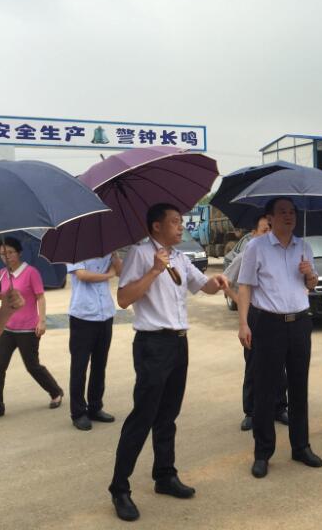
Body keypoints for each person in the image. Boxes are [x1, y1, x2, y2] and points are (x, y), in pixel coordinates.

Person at [108, 203, 228, 521]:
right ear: (156, 226)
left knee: (168, 415)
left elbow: (203, 286)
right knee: (143, 416)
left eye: (181, 221)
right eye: (175, 222)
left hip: (178, 343)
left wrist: (218, 282)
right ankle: (119, 488)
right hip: (153, 345)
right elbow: (124, 298)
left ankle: (164, 475)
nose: (181, 226)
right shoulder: (140, 254)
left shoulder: (180, 257)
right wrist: (154, 271)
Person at [237, 197, 322, 479]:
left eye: (292, 211)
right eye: (282, 212)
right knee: (265, 389)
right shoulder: (256, 247)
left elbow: (311, 285)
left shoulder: (304, 247)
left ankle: (301, 446)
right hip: (268, 324)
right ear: (270, 218)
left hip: (300, 322)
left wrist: (310, 275)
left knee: (299, 387)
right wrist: (243, 324)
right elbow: (245, 286)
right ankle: (263, 453)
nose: (289, 216)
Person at [223, 215, 289, 432]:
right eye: (264, 230)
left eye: (271, 229)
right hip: (255, 315)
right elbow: (225, 282)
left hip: (277, 316)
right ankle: (250, 411)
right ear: (253, 234)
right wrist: (240, 302)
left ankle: (279, 407)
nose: (268, 234)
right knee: (254, 364)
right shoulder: (245, 256)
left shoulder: (280, 255)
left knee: (279, 364)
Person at [0, 237, 64, 418]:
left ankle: (55, 391)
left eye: (10, 252)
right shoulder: (2, 274)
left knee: (32, 366)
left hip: (27, 329)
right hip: (7, 328)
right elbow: (4, 297)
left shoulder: (31, 272)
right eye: (2, 254)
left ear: (19, 253)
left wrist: (42, 321)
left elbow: (40, 297)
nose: (6, 257)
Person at [67, 252, 123, 431]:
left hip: (105, 314)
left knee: (100, 365)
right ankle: (78, 413)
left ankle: (95, 407)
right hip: (83, 316)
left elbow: (120, 272)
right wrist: (108, 275)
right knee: (79, 367)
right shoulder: (75, 249)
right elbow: (82, 275)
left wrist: (115, 256)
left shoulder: (106, 250)